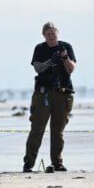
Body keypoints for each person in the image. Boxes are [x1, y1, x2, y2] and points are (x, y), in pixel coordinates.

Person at [23, 22, 76, 172]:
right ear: (44, 35)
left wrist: (64, 58)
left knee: (57, 130)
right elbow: (37, 68)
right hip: (43, 94)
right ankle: (28, 163)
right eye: (48, 34)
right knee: (37, 129)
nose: (51, 36)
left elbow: (71, 69)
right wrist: (50, 61)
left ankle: (57, 162)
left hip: (63, 93)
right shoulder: (40, 48)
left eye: (53, 33)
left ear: (57, 33)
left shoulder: (66, 46)